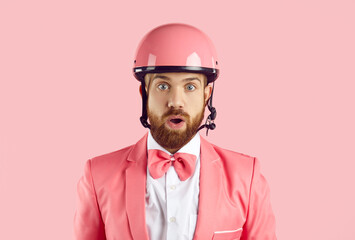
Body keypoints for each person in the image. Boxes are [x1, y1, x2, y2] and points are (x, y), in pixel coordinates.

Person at [74, 23, 277, 240]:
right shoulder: (97, 175)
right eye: (163, 86)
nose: (175, 102)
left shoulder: (247, 176)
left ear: (206, 94)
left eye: (190, 87)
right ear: (144, 92)